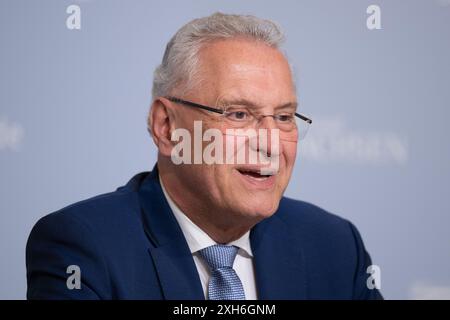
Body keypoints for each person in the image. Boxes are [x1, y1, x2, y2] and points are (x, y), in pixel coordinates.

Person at [26, 12, 382, 300]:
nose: (271, 144)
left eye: (285, 117)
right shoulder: (84, 248)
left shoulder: (334, 246)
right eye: (238, 114)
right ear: (166, 127)